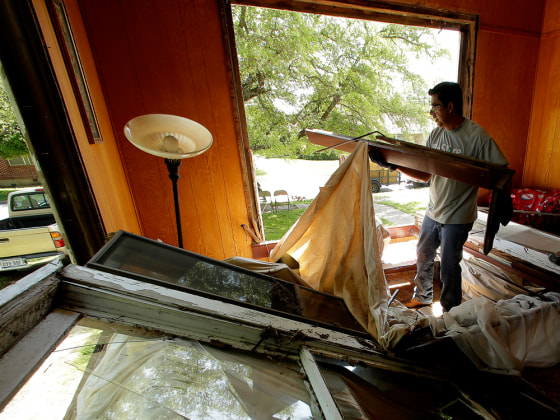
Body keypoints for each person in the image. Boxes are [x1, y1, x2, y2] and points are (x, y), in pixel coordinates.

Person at [369, 82, 508, 312]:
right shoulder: (436, 135)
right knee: (423, 255)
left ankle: (450, 310)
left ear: (450, 106)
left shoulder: (476, 136)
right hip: (434, 211)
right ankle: (422, 297)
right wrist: (393, 166)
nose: (431, 112)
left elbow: (502, 169)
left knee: (449, 266)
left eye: (435, 106)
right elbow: (425, 175)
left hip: (458, 215)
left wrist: (503, 198)